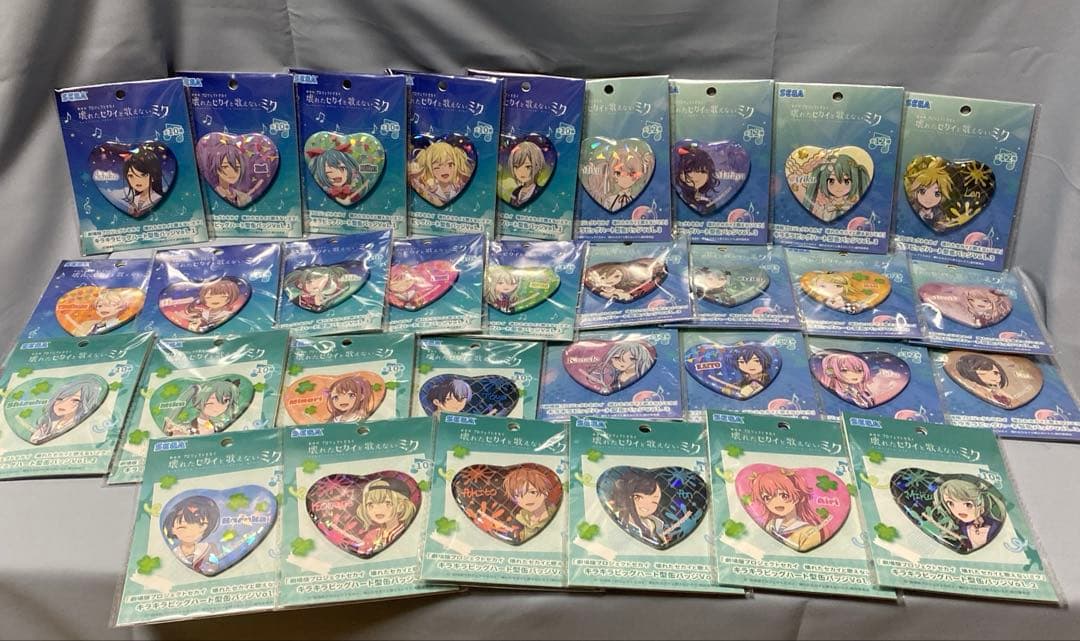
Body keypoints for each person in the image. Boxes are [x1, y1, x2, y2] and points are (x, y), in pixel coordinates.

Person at [749, 468, 831, 552]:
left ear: (798, 496)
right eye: (767, 497)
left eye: (784, 495)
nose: (776, 503)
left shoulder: (809, 532)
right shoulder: (771, 525)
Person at [925, 477, 1007, 552]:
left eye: (968, 504)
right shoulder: (962, 526)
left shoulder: (995, 527)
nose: (959, 510)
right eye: (950, 503)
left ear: (981, 506)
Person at [788, 150, 871, 222]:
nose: (839, 187)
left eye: (846, 181)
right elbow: (798, 187)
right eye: (831, 181)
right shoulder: (822, 204)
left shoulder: (853, 201)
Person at [196, 133, 266, 208]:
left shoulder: (242, 196)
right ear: (215, 166)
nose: (233, 172)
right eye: (225, 166)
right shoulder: (218, 191)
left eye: (237, 167)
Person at [30, 377, 103, 444]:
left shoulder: (82, 425)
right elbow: (34, 440)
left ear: (85, 403)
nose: (63, 404)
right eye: (60, 398)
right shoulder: (48, 424)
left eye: (75, 400)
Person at [355, 478, 417, 555]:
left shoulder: (406, 534)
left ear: (400, 506)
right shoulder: (372, 535)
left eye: (387, 503)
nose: (378, 509)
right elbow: (362, 552)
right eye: (370, 504)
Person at [163, 379, 242, 436]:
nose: (219, 406)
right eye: (213, 399)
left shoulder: (219, 425)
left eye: (226, 401)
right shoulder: (185, 427)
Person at [162, 495, 220, 574]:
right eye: (182, 527)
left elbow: (213, 567)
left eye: (201, 525)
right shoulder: (173, 552)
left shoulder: (210, 548)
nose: (191, 532)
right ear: (172, 529)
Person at [503, 465, 559, 542]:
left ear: (545, 493)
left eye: (532, 492)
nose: (527, 499)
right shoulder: (519, 520)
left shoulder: (556, 516)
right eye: (519, 495)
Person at [408, 141, 473, 207]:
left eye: (450, 165)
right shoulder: (426, 188)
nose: (444, 170)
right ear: (429, 169)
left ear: (456, 165)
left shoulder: (459, 185)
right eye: (437, 167)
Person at [903, 156, 955, 229]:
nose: (929, 198)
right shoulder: (912, 208)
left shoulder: (939, 213)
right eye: (922, 191)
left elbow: (943, 225)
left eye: (937, 194)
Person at [589, 342, 656, 394]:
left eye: (632, 359)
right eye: (617, 358)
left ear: (641, 360)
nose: (622, 362)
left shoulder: (641, 377)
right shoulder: (612, 374)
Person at [121, 143, 168, 216]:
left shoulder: (159, 199)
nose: (137, 180)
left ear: (153, 176)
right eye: (130, 175)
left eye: (143, 175)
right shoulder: (132, 201)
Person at [673, 145, 718, 211]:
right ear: (681, 175)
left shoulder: (708, 203)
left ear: (708, 176)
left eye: (702, 171)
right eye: (690, 171)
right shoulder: (679, 197)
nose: (697, 176)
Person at [507, 140, 545, 207]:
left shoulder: (540, 191)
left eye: (528, 166)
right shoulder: (515, 192)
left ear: (537, 166)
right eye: (516, 166)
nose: (521, 172)